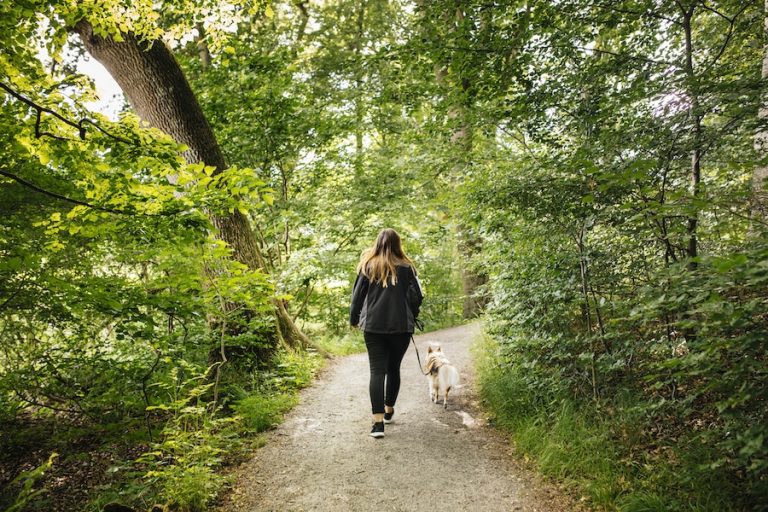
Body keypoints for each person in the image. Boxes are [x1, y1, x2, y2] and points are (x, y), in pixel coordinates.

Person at [350, 228, 424, 438]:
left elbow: (356, 298)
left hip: (373, 327)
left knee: (377, 371)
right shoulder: (408, 268)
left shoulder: (367, 266)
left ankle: (377, 424)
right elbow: (417, 297)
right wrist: (411, 314)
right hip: (401, 327)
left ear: (377, 244)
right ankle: (389, 409)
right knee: (393, 368)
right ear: (397, 244)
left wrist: (354, 320)